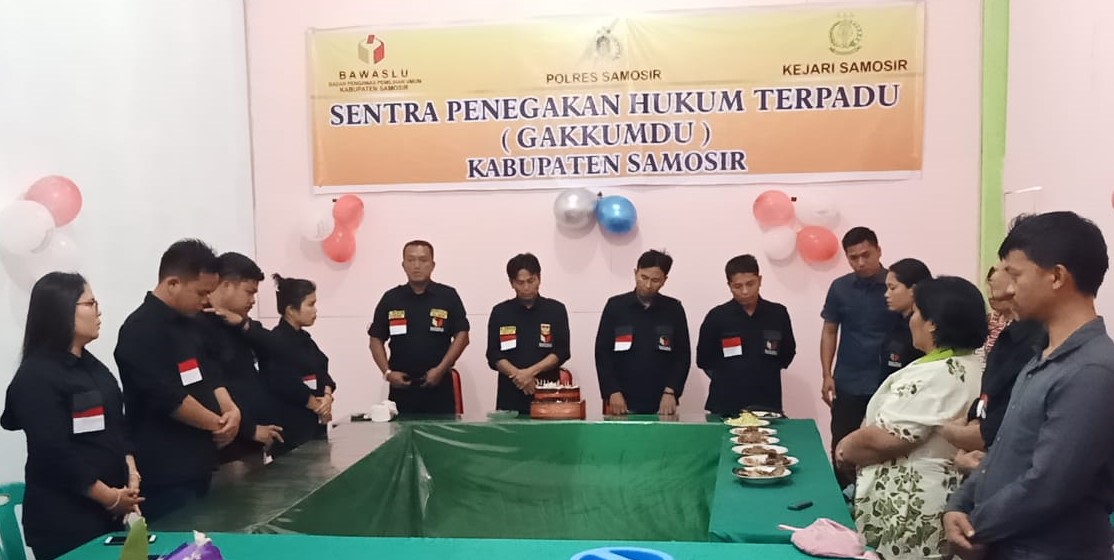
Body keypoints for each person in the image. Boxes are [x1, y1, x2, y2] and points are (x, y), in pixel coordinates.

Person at [945, 212, 1114, 560]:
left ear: (1057, 277)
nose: (1008, 289)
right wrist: (958, 505)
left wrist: (976, 526)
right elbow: (1001, 453)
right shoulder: (1042, 358)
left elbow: (1050, 485)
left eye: (1017, 275)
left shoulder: (1092, 369)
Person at [836, 276, 987, 559]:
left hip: (911, 512)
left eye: (916, 312)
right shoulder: (971, 364)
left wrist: (844, 449)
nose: (911, 320)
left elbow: (884, 439)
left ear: (933, 323)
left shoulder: (938, 374)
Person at [1, 273, 144, 560]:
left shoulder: (93, 366)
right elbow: (54, 452)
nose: (98, 311)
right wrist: (110, 498)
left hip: (110, 514)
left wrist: (131, 473)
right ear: (62, 310)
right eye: (90, 303)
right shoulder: (36, 375)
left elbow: (118, 425)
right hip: (66, 521)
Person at [115, 239, 241, 521]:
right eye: (201, 292)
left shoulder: (193, 324)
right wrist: (218, 424)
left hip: (202, 461)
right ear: (173, 283)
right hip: (166, 470)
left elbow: (211, 373)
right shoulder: (141, 329)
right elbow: (167, 396)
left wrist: (231, 410)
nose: (206, 301)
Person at [941, 264, 1044, 474]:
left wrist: (948, 431)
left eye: (1007, 267)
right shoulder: (1008, 334)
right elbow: (988, 395)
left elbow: (995, 429)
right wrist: (972, 420)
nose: (994, 278)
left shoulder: (1035, 342)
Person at [820, 226, 900, 488]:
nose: (861, 262)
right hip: (848, 381)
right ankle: (843, 499)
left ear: (879, 251)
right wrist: (826, 374)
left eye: (866, 255)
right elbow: (829, 330)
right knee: (841, 446)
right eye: (853, 257)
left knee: (885, 447)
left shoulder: (896, 286)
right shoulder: (840, 288)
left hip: (889, 383)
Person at [200, 252, 285, 461]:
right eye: (249, 292)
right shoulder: (200, 327)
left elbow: (279, 347)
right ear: (226, 285)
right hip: (230, 444)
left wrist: (243, 324)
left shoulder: (240, 323)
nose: (253, 301)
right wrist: (250, 429)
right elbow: (210, 387)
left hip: (255, 441)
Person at [368, 240, 470, 415]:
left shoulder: (447, 296)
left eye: (423, 260)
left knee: (442, 432)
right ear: (403, 265)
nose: (416, 265)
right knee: (400, 432)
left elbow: (463, 336)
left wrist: (440, 370)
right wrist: (387, 373)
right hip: (401, 388)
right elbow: (375, 339)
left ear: (432, 264)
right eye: (411, 260)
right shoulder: (391, 299)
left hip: (439, 387)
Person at [696, 254, 796, 415]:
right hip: (725, 403)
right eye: (738, 286)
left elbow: (787, 353)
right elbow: (704, 360)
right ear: (729, 285)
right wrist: (730, 377)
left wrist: (763, 372)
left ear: (760, 280)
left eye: (750, 284)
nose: (745, 291)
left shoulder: (778, 314)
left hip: (767, 402)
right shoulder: (717, 317)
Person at [595, 249, 691, 415]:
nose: (648, 285)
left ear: (664, 280)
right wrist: (612, 391)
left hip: (662, 401)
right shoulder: (616, 307)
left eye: (655, 280)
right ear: (635, 273)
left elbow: (682, 356)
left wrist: (671, 392)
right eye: (644, 277)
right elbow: (602, 353)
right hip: (621, 400)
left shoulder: (674, 309)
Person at [486, 253, 571, 414]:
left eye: (531, 281)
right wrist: (519, 376)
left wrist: (530, 372)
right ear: (512, 283)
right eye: (520, 282)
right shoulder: (500, 312)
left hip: (546, 393)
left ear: (539, 278)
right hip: (510, 395)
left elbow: (562, 351)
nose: (526, 287)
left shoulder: (555, 310)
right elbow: (493, 354)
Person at [263, 274, 335, 453]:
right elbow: (286, 383)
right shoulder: (277, 341)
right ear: (291, 310)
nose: (315, 310)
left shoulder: (305, 339)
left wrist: (327, 397)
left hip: (315, 425)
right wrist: (318, 406)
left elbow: (322, 369)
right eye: (310, 304)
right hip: (292, 429)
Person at [880, 258, 933, 381]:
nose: (886, 294)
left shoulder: (928, 329)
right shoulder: (893, 321)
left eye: (892, 288)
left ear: (913, 290)